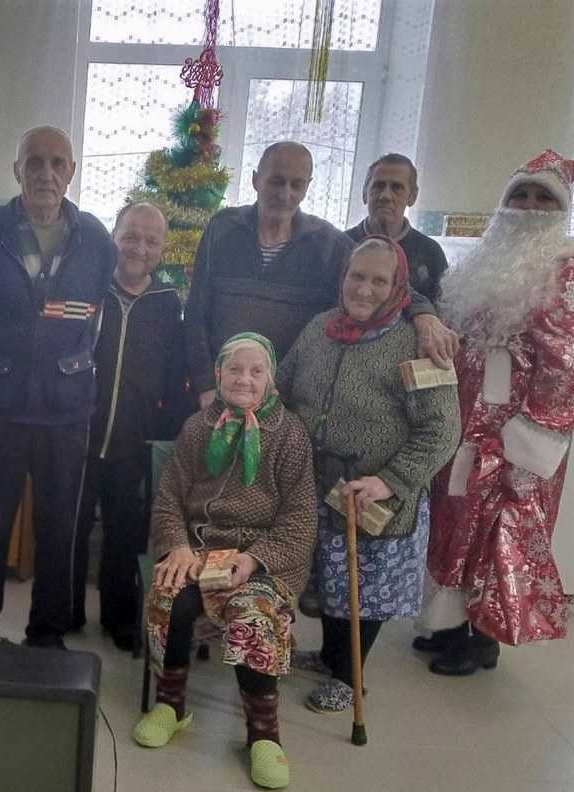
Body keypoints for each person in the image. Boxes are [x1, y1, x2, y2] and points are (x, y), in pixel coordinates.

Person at [279, 236, 459, 711]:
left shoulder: (419, 344)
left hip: (375, 491)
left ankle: (349, 676)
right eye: (357, 276)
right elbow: (283, 384)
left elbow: (443, 430)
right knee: (332, 579)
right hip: (316, 485)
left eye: (379, 280)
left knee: (365, 588)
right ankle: (330, 656)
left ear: (399, 286)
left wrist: (390, 482)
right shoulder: (319, 328)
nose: (364, 289)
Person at [131, 333, 316, 789]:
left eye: (256, 371)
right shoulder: (199, 426)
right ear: (218, 374)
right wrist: (177, 546)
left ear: (271, 379)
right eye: (234, 369)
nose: (244, 379)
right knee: (171, 596)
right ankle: (170, 705)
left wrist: (253, 561)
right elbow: (169, 499)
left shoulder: (289, 434)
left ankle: (263, 735)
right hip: (199, 546)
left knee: (253, 613)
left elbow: (299, 520)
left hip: (261, 555)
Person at [0, 125, 117, 649]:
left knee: (58, 526)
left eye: (57, 163)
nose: (46, 173)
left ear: (71, 171)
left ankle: (46, 633)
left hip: (65, 409)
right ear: (17, 170)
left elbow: (96, 319)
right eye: (35, 162)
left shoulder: (96, 240)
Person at [417, 150, 574, 675]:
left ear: (561, 209)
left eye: (542, 197)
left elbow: (566, 362)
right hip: (464, 422)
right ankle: (449, 626)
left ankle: (482, 639)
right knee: (455, 522)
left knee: (496, 533)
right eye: (519, 195)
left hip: (512, 436)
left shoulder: (565, 269)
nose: (527, 206)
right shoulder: (485, 259)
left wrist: (530, 439)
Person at [184, 141, 457, 411]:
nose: (285, 193)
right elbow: (196, 310)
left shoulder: (329, 244)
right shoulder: (222, 227)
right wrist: (206, 386)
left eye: (296, 184)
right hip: (221, 394)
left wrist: (425, 315)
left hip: (285, 403)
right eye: (276, 181)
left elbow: (387, 285)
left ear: (307, 186)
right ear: (256, 180)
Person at [71, 201, 192, 651]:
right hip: (80, 433)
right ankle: (65, 609)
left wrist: (164, 436)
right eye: (131, 236)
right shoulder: (91, 290)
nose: (139, 247)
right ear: (114, 237)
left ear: (162, 249)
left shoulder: (167, 304)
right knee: (72, 527)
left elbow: (176, 377)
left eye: (150, 240)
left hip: (134, 440)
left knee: (125, 532)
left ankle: (119, 617)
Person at [345, 153, 449, 302]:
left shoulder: (431, 253)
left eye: (397, 187)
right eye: (378, 186)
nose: (385, 196)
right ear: (364, 193)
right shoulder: (340, 245)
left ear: (412, 197)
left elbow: (441, 309)